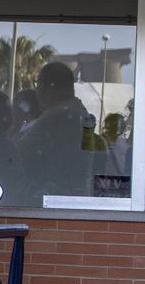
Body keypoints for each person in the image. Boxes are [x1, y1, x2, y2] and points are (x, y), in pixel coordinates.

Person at [13, 60, 94, 206]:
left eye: (38, 84)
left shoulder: (58, 115)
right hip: (74, 194)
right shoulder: (81, 112)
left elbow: (16, 153)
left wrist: (14, 129)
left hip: (55, 197)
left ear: (47, 87)